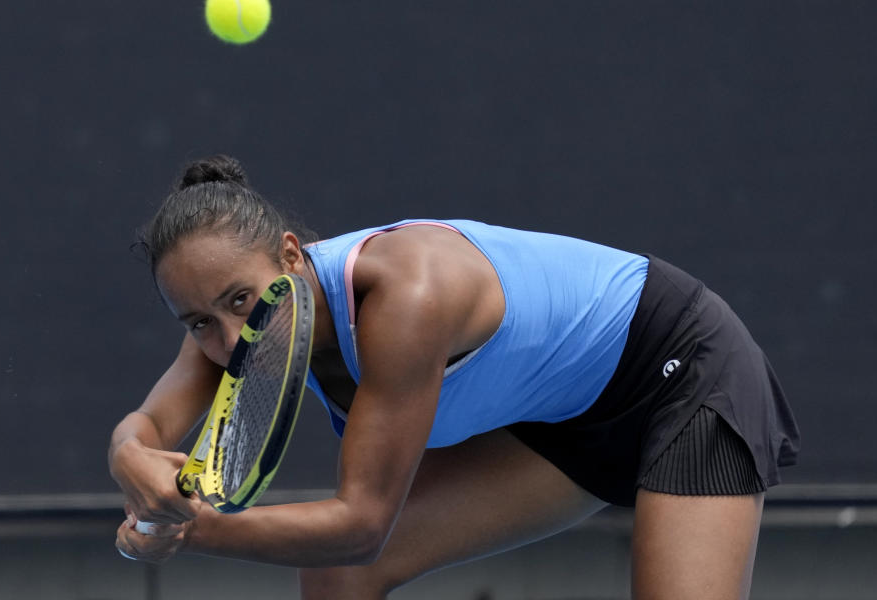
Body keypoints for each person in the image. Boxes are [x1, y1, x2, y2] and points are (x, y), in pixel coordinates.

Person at [110, 155, 799, 600]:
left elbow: (361, 526)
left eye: (239, 301)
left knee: (347, 551)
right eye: (197, 322)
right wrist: (127, 457)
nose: (230, 339)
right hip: (564, 419)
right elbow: (144, 429)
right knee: (336, 578)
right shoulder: (230, 329)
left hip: (684, 376)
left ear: (291, 255)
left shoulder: (407, 298)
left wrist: (185, 528)